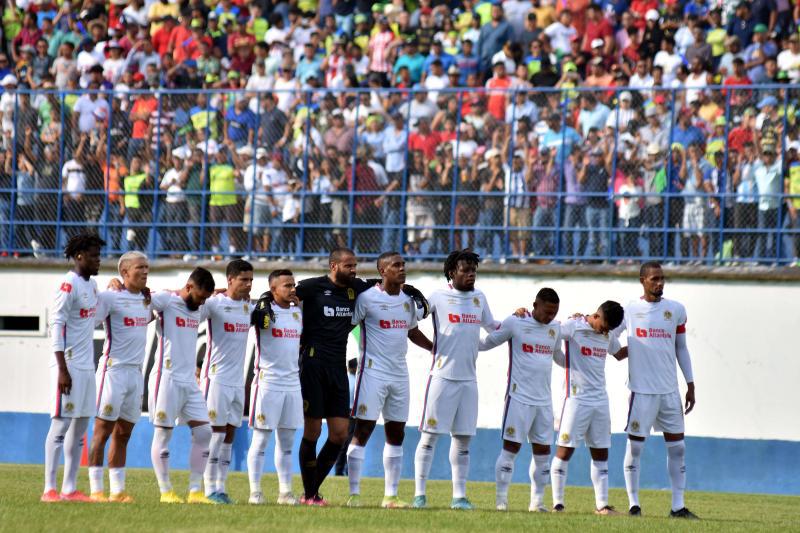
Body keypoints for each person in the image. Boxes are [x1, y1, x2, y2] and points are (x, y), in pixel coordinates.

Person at [285, 247, 428, 506]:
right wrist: (264, 300)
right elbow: (283, 293)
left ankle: (310, 493)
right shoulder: (313, 287)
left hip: (338, 366)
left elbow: (379, 284)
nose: (353, 270)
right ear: (333, 266)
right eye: (348, 266)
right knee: (313, 431)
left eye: (355, 265)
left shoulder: (357, 290)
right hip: (314, 364)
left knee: (340, 434)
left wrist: (409, 289)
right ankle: (311, 494)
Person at [346, 252, 433, 509]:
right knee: (363, 431)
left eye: (403, 264)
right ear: (383, 271)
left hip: (400, 374)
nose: (402, 268)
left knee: (396, 433)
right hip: (372, 373)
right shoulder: (367, 298)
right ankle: (354, 495)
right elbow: (346, 326)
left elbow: (412, 332)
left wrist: (434, 349)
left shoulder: (407, 301)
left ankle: (390, 496)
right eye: (396, 265)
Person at [612, 262, 698, 519]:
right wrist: (618, 352)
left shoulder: (676, 310)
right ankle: (634, 505)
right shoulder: (629, 309)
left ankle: (678, 507)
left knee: (678, 448)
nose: (659, 283)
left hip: (670, 391)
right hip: (642, 392)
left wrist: (690, 383)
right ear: (642, 280)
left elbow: (681, 348)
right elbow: (608, 333)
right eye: (654, 279)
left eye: (662, 278)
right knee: (635, 448)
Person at [413, 249, 498, 510]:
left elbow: (492, 327)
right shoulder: (438, 296)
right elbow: (412, 319)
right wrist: (431, 347)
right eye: (466, 270)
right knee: (429, 437)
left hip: (469, 381)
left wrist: (517, 320)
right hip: (442, 378)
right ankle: (419, 495)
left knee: (463, 440)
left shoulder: (479, 297)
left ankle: (459, 497)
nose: (471, 274)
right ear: (452, 272)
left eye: (474, 270)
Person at [479, 288, 563, 512]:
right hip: (518, 398)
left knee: (543, 453)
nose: (550, 317)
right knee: (511, 449)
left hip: (544, 401)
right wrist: (461, 340)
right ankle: (501, 501)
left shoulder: (555, 328)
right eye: (547, 312)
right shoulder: (515, 322)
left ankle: (537, 502)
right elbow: (487, 343)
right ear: (535, 305)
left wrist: (582, 359)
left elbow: (558, 357)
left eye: (554, 313)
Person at [42, 233, 106, 503]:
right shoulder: (68, 284)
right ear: (79, 256)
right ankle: (49, 489)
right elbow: (55, 325)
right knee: (60, 425)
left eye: (99, 256)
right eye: (93, 256)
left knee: (80, 428)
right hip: (67, 365)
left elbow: (94, 319)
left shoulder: (93, 286)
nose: (98, 260)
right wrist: (62, 370)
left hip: (86, 366)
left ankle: (69, 488)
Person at [550, 301, 626, 515]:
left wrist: (648, 345)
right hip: (576, 400)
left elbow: (619, 354)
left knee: (601, 454)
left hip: (600, 400)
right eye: (604, 327)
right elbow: (551, 333)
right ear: (597, 315)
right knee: (564, 451)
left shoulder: (607, 335)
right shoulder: (574, 326)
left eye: (609, 329)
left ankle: (602, 506)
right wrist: (561, 359)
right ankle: (558, 505)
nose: (605, 332)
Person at [88, 251, 152, 503]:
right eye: (140, 267)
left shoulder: (147, 299)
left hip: (135, 373)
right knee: (102, 431)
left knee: (124, 433)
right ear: (125, 272)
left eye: (147, 267)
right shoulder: (110, 297)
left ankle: (117, 491)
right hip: (113, 372)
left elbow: (179, 296)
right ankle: (96, 490)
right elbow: (87, 319)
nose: (145, 271)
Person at [148, 267, 216, 504]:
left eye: (206, 299)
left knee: (204, 432)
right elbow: (140, 299)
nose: (202, 303)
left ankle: (195, 491)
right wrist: (118, 284)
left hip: (189, 380)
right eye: (200, 297)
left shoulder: (199, 307)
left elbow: (217, 299)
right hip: (166, 377)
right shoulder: (166, 300)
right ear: (189, 287)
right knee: (163, 433)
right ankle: (166, 491)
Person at [199, 260, 254, 504]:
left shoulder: (249, 307)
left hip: (237, 381)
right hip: (216, 379)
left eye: (251, 280)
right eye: (244, 280)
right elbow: (190, 308)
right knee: (216, 433)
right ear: (230, 280)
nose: (248, 284)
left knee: (230, 434)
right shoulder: (214, 304)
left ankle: (221, 487)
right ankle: (209, 487)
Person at [247, 269, 303, 506]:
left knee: (287, 443)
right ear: (273, 289)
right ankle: (255, 492)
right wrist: (262, 301)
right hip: (268, 383)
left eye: (293, 284)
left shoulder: (298, 312)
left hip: (293, 384)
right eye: (287, 285)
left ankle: (285, 492)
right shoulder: (261, 311)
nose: (292, 289)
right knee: (260, 440)